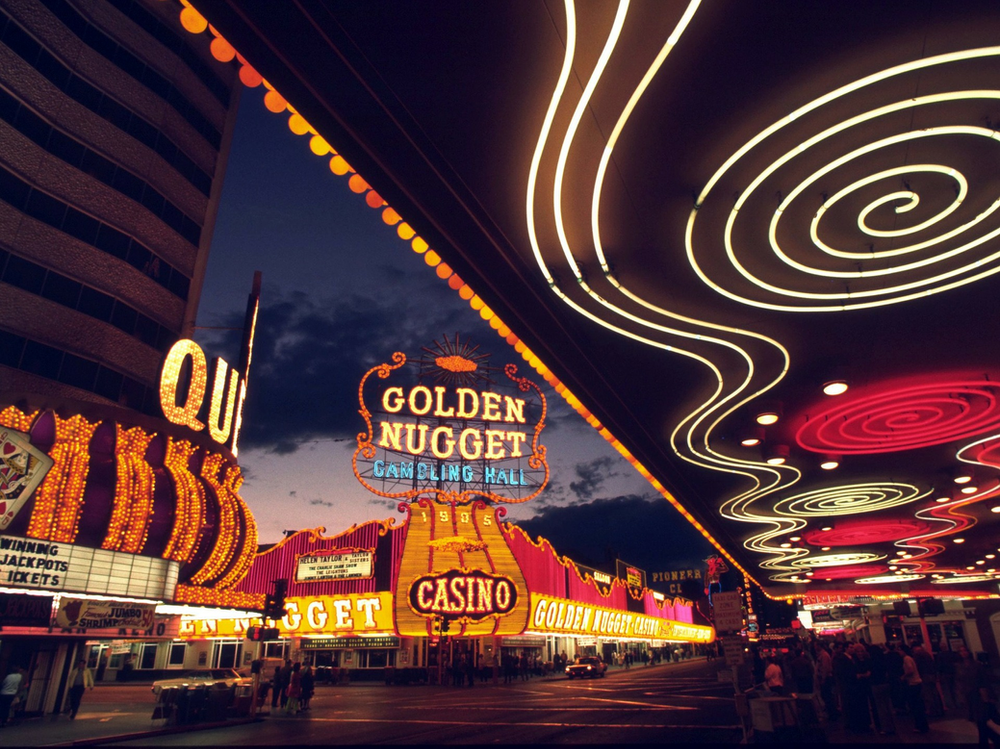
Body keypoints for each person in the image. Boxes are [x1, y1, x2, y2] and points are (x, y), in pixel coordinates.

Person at [901, 645, 929, 734]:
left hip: (913, 683)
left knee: (916, 706)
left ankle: (920, 725)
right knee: (919, 705)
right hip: (916, 683)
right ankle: (922, 725)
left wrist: (903, 676)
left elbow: (910, 669)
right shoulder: (910, 658)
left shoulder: (906, 659)